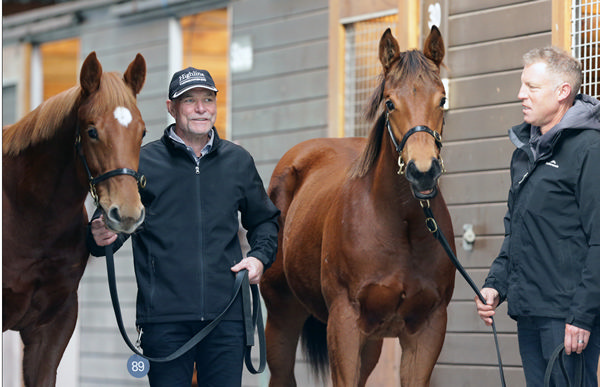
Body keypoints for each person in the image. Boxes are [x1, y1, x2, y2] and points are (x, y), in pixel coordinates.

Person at [87, 67, 280, 386]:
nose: (201, 108)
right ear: (170, 108)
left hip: (226, 319)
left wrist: (259, 257)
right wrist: (101, 233)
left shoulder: (237, 161)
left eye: (207, 99)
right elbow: (113, 229)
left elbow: (264, 220)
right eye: (189, 101)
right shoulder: (142, 163)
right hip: (164, 322)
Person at [474, 47, 600, 386]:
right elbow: (516, 232)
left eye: (532, 87)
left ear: (562, 93)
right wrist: (495, 286)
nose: (520, 95)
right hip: (529, 312)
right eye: (521, 85)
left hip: (568, 320)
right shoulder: (525, 154)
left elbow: (599, 239)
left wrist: (582, 316)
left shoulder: (589, 149)